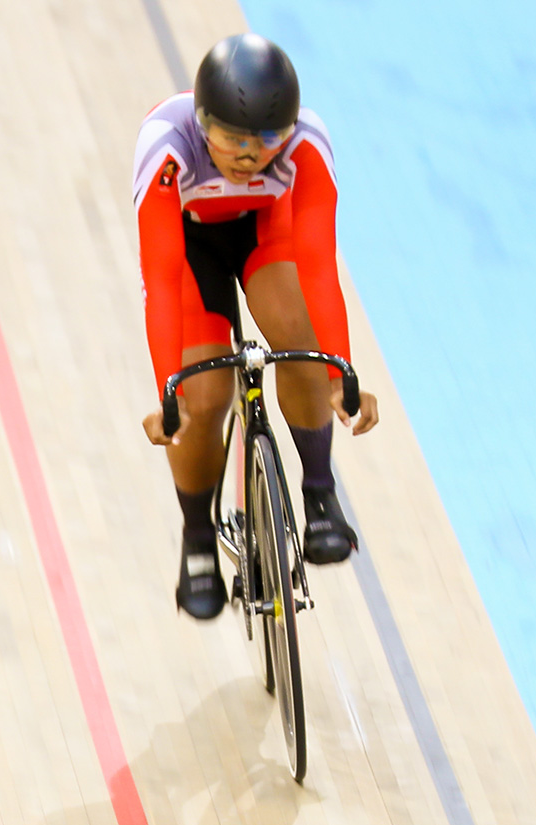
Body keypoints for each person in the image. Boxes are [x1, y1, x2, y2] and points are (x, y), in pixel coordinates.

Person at [133, 33, 381, 619]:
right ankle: (198, 541)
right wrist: (169, 388)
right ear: (202, 121)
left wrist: (340, 368)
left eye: (268, 138)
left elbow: (319, 264)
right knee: (204, 395)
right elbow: (163, 279)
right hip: (191, 248)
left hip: (265, 233)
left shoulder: (307, 143)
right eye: (233, 138)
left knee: (299, 341)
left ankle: (320, 495)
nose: (250, 154)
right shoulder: (165, 147)